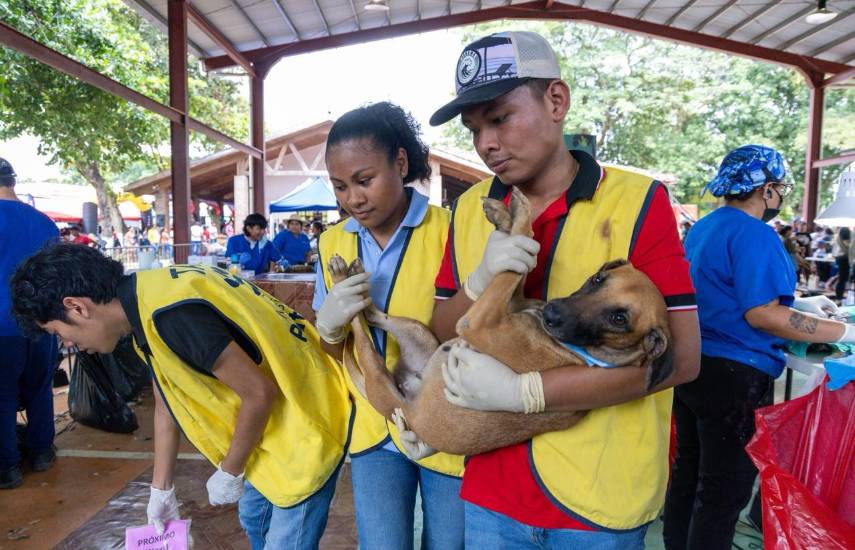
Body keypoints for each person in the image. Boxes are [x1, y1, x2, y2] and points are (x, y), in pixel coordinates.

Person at [428, 31, 700, 548]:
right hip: (493, 486)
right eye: (474, 128)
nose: (486, 142)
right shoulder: (468, 211)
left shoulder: (637, 201)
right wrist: (478, 283)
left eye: (500, 118)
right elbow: (444, 328)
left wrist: (528, 394)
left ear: (556, 100)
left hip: (599, 497)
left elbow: (681, 360)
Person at [10, 243, 352, 548]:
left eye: (59, 332)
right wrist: (161, 489)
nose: (68, 345)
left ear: (77, 307)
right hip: (276, 432)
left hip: (310, 423)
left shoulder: (171, 316)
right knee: (254, 518)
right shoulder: (145, 301)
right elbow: (166, 401)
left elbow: (259, 393)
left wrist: (231, 470)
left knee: (286, 539)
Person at [662, 145, 855, 549]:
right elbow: (762, 315)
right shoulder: (753, 234)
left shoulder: (707, 227)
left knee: (688, 476)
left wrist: (799, 305)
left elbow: (719, 292)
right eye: (779, 188)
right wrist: (841, 332)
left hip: (693, 364)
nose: (780, 196)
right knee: (723, 491)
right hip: (735, 375)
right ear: (767, 189)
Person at [313, 102, 465, 550]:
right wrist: (331, 325)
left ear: (400, 163)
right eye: (340, 186)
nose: (352, 199)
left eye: (364, 180)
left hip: (445, 418)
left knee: (449, 543)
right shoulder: (331, 243)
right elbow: (329, 348)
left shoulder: (451, 231)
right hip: (374, 424)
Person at [0, 158, 60, 490]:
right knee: (40, 389)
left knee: (3, 396)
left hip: (1, 326)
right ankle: (41, 452)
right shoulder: (44, 222)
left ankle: (8, 467)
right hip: (42, 323)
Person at [833, 227, 851, 300]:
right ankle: (839, 297)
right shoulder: (845, 232)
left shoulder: (837, 237)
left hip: (840, 258)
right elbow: (847, 244)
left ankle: (839, 296)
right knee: (842, 279)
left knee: (841, 279)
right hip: (844, 259)